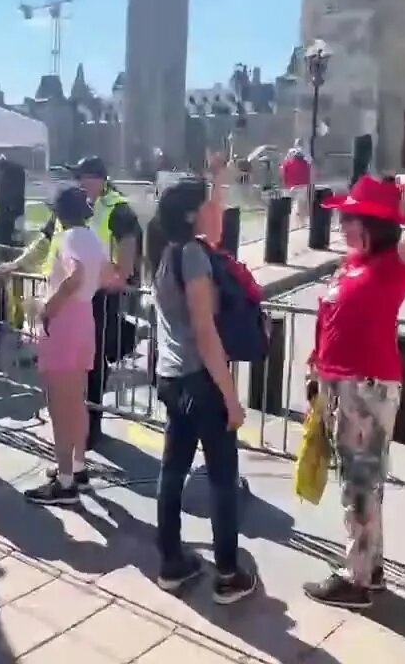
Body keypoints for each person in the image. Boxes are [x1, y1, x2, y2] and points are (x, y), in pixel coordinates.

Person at [302, 173, 405, 610]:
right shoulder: (352, 264)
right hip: (341, 382)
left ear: (373, 225)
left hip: (367, 386)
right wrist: (317, 366)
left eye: (349, 220)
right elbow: (333, 319)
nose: (342, 227)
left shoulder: (393, 263)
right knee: (362, 480)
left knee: (359, 482)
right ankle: (370, 569)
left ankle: (356, 580)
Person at [146, 170, 259, 605]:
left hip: (173, 378)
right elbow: (205, 330)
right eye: (211, 205)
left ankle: (171, 563)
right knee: (222, 479)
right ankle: (229, 573)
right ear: (194, 214)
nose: (219, 211)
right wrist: (231, 398)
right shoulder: (192, 256)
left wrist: (217, 180)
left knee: (172, 474)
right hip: (200, 379)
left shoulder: (165, 252)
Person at [0, 156, 140, 449]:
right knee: (72, 369)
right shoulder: (69, 205)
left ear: (99, 178)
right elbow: (44, 240)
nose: (79, 183)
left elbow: (127, 252)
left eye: (83, 177)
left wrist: (116, 279)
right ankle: (74, 433)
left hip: (94, 297)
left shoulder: (118, 208)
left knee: (92, 365)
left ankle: (89, 429)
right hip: (65, 295)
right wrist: (18, 264)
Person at [24, 186, 111, 505]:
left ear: (60, 213)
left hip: (63, 322)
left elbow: (76, 276)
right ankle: (78, 468)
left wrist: (49, 305)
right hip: (84, 318)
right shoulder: (94, 239)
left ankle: (64, 483)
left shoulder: (67, 239)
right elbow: (109, 276)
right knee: (76, 401)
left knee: (60, 407)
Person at [281, 141, 312, 227]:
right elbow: (309, 174)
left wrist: (284, 183)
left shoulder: (287, 163)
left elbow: (283, 174)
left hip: (290, 186)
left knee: (289, 205)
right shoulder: (306, 164)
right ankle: (301, 222)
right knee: (301, 205)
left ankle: (290, 222)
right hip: (302, 186)